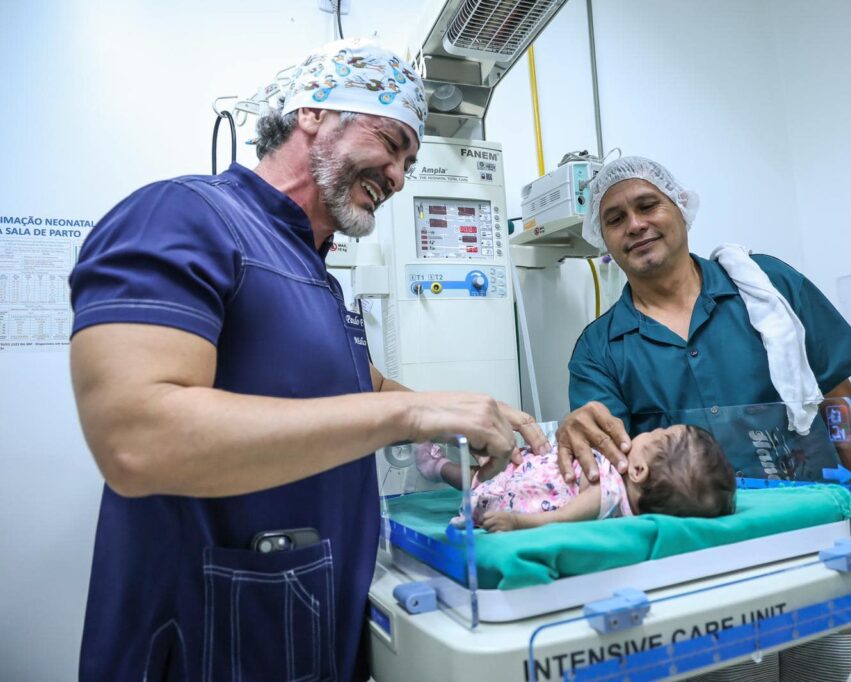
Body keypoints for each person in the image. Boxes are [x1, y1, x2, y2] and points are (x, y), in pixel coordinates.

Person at [68, 39, 546, 682]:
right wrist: (414, 414)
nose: (399, 177)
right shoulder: (183, 216)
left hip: (306, 632)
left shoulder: (313, 273)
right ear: (314, 113)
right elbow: (136, 438)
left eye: (409, 162)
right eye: (392, 143)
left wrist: (464, 423)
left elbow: (360, 386)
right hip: (209, 641)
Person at [553, 156, 851, 681]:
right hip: (696, 578)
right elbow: (613, 476)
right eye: (614, 219)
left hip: (816, 545)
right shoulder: (599, 351)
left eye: (647, 205)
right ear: (604, 241)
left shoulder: (768, 288)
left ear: (681, 207)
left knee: (844, 671)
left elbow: (839, 405)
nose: (635, 225)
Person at [417, 424, 736, 532]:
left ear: (639, 471)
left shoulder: (607, 493)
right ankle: (439, 462)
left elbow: (562, 518)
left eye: (657, 433)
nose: (651, 430)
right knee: (479, 472)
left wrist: (516, 523)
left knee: (475, 478)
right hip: (524, 472)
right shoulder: (616, 480)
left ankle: (437, 465)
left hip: (516, 494)